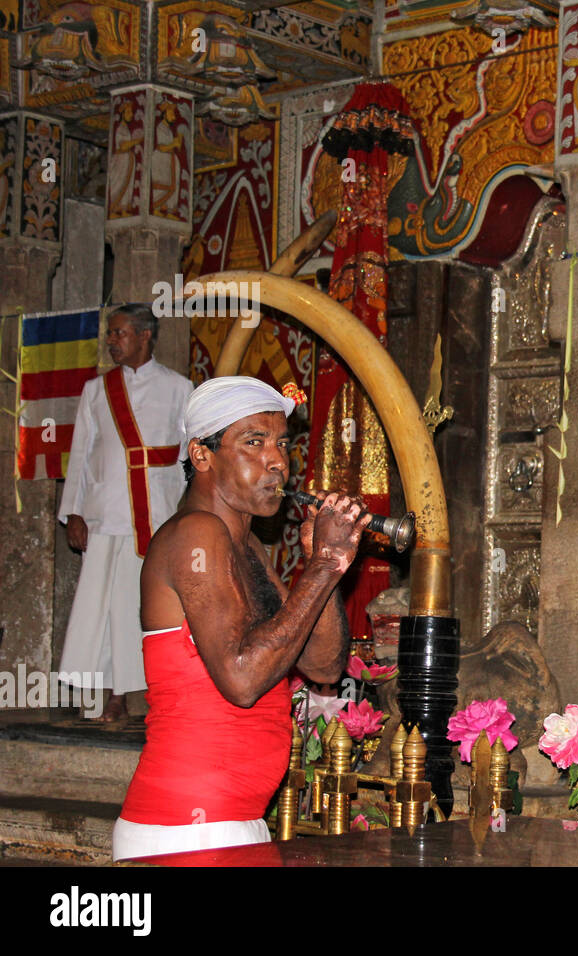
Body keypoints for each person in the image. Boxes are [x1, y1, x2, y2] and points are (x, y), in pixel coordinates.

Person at [111, 376, 370, 861]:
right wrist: (320, 568)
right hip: (187, 828)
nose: (276, 461)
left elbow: (323, 667)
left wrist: (326, 567)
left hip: (232, 823)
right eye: (253, 442)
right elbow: (242, 678)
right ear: (202, 453)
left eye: (281, 444)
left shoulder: (244, 544)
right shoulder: (196, 535)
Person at [59, 304, 193, 722]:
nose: (111, 341)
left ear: (144, 335)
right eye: (110, 334)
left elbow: (192, 456)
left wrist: (190, 515)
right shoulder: (97, 390)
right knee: (100, 607)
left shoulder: (179, 388)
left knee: (142, 605)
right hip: (105, 512)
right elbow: (81, 453)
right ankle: (105, 694)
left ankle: (144, 693)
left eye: (119, 333)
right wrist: (74, 511)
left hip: (155, 515)